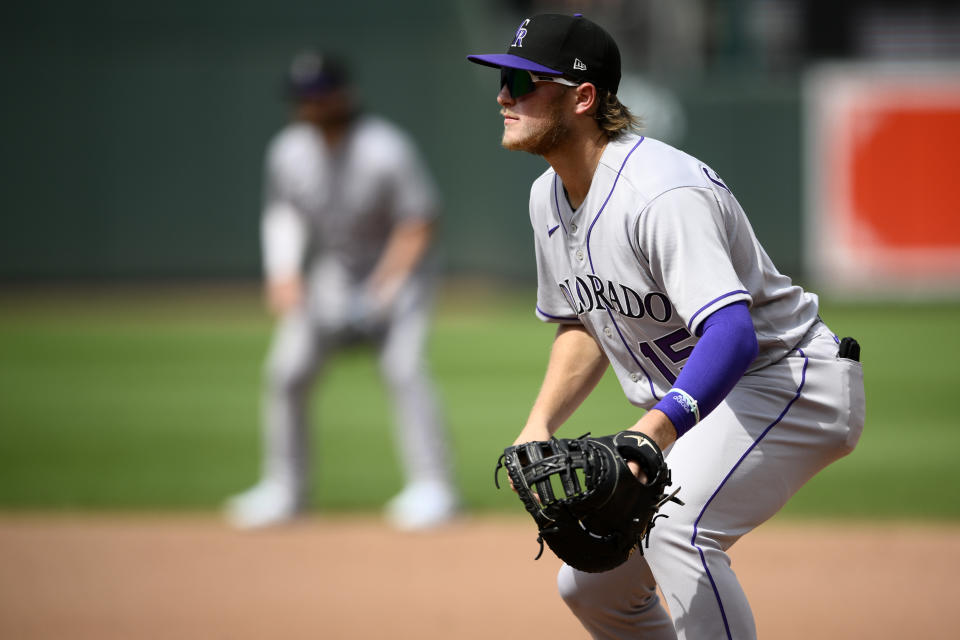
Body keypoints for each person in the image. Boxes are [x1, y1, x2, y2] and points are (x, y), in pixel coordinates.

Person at [467, 13, 865, 639]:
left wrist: (652, 433)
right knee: (592, 588)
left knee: (680, 530)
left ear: (583, 97)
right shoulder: (548, 196)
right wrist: (538, 423)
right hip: (710, 400)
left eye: (522, 81)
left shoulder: (659, 192)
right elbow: (582, 321)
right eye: (504, 80)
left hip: (788, 379)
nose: (503, 96)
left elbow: (733, 333)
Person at [226, 50, 457, 531]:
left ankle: (435, 488)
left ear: (344, 95)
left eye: (319, 94)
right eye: (303, 97)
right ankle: (284, 490)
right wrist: (283, 273)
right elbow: (283, 214)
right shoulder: (288, 150)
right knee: (286, 373)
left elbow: (418, 222)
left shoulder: (385, 147)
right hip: (331, 277)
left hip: (399, 276)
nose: (311, 105)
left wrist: (385, 288)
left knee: (404, 369)